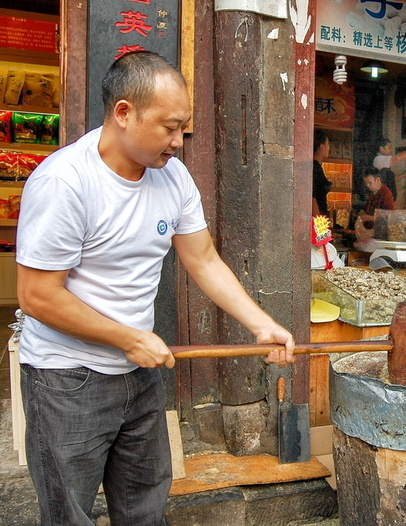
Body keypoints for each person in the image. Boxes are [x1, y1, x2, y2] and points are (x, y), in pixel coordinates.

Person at [15, 51, 296, 526]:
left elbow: (203, 259)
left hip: (139, 371)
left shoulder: (173, 176)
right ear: (124, 113)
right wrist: (128, 338)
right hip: (67, 378)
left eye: (184, 128)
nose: (179, 142)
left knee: (146, 505)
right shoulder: (65, 182)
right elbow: (38, 296)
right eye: (169, 127)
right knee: (69, 514)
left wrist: (262, 325)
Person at [312, 129, 332, 217]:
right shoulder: (315, 168)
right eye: (328, 144)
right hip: (318, 220)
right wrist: (319, 226)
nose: (329, 148)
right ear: (322, 146)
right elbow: (312, 198)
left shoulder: (317, 167)